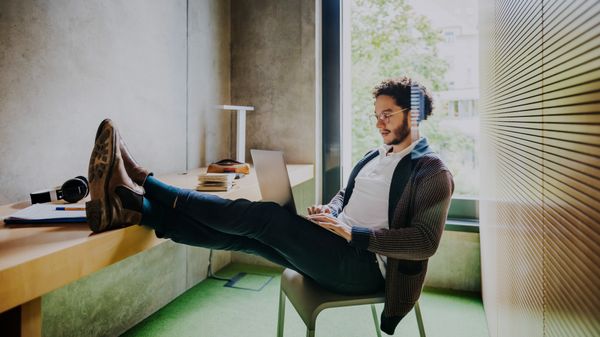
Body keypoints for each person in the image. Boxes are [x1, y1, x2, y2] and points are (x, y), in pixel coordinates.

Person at [85, 77, 454, 335]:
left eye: (386, 114)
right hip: (336, 243)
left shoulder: (433, 172)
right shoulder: (378, 154)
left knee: (263, 218)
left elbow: (425, 242)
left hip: (365, 268)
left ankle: (147, 184)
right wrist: (333, 210)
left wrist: (351, 232)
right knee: (249, 238)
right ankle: (138, 209)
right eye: (376, 115)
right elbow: (349, 193)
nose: (378, 123)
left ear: (414, 115)